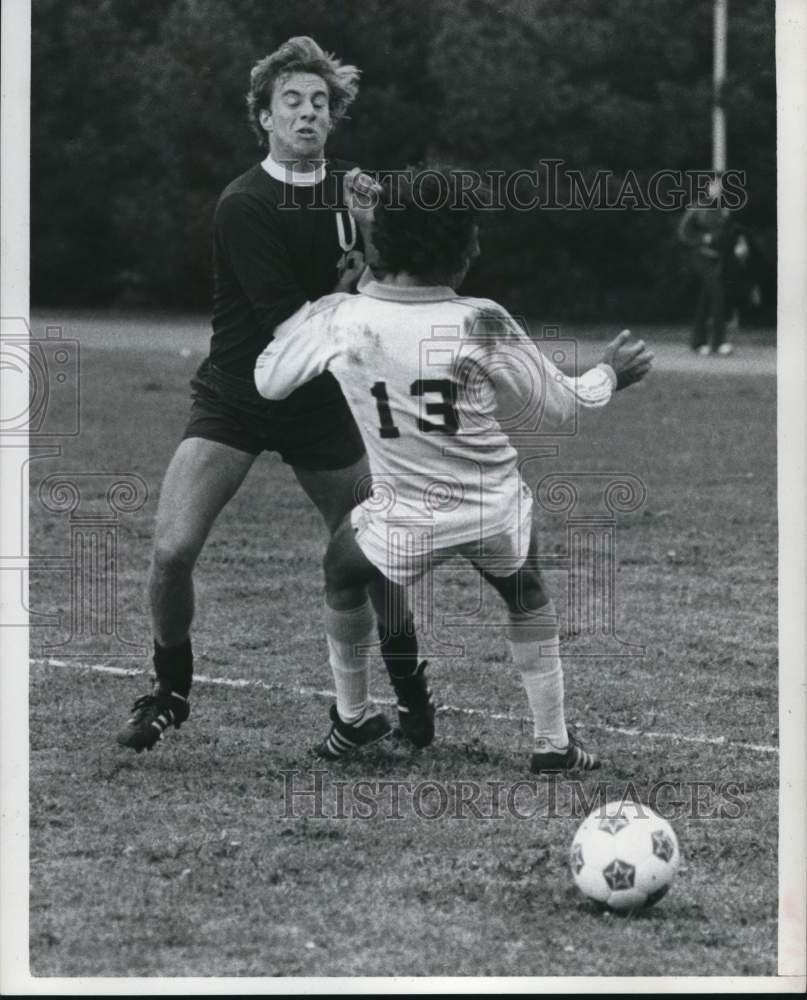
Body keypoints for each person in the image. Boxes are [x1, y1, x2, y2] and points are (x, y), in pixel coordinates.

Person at [255, 167, 654, 772]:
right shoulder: (480, 320)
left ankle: (352, 719)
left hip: (406, 514)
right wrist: (612, 374)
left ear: (387, 240)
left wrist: (354, 280)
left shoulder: (342, 318)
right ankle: (553, 745)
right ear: (455, 249)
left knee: (341, 568)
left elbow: (269, 380)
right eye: (471, 234)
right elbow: (558, 403)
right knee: (526, 593)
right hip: (492, 505)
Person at [116, 37, 431, 752]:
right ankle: (169, 689)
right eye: (291, 101)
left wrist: (382, 232)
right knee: (171, 550)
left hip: (323, 403)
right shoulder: (244, 203)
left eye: (320, 103)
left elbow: (403, 279)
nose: (307, 114)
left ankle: (413, 693)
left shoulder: (357, 190)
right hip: (238, 396)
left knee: (374, 556)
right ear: (262, 116)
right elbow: (291, 325)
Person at [677, 178, 737, 356]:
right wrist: (701, 239)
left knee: (706, 299)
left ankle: (698, 342)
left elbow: (729, 234)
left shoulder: (724, 210)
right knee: (717, 294)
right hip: (700, 257)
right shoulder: (697, 207)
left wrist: (737, 244)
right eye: (714, 187)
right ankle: (720, 342)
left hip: (716, 259)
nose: (717, 190)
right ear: (707, 189)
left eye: (720, 187)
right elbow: (683, 232)